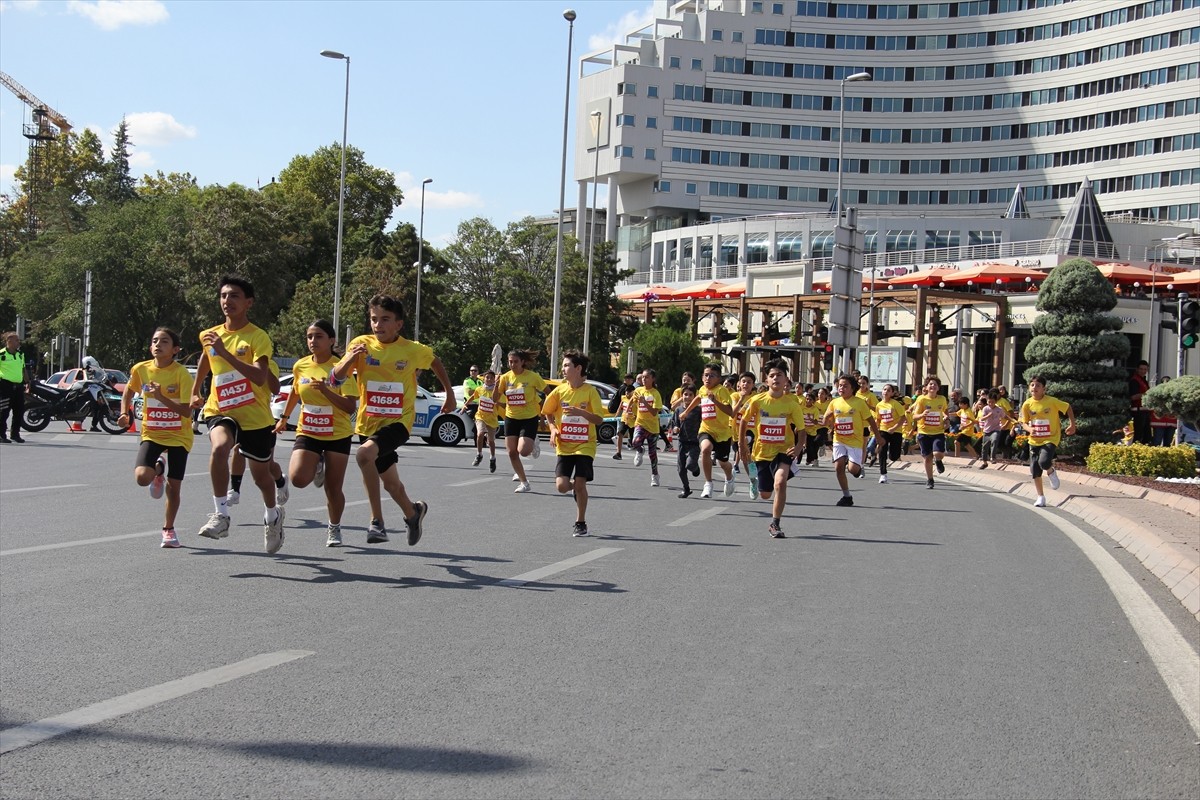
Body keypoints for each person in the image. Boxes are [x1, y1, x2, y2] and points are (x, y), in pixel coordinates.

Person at [331, 294, 454, 545]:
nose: (378, 325)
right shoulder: (360, 344)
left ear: (398, 324)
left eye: (385, 319)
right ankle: (413, 512)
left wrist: (449, 394)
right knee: (391, 484)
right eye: (374, 319)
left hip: (399, 422)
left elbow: (435, 362)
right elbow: (335, 379)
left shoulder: (412, 350)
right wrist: (350, 358)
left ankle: (376, 522)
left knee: (363, 455)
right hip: (368, 423)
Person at [189, 275, 286, 553]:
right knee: (220, 448)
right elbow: (206, 358)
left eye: (234, 296)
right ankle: (221, 515)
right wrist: (196, 390)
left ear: (248, 302)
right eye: (223, 295)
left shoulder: (258, 337)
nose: (227, 301)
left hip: (255, 416)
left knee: (262, 478)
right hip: (220, 408)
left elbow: (259, 377)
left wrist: (225, 352)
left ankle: (273, 516)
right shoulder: (210, 335)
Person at [272, 320, 358, 547]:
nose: (313, 341)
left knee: (333, 488)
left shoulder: (341, 367)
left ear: (331, 340)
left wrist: (326, 391)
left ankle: (334, 527)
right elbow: (295, 392)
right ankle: (317, 463)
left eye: (318, 336)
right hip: (308, 431)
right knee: (298, 479)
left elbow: (350, 407)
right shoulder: (300, 365)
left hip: (337, 435)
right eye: (309, 336)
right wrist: (284, 418)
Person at [118, 328, 194, 548]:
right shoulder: (141, 369)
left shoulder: (181, 374)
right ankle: (158, 470)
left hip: (179, 436)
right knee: (142, 477)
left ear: (175, 349)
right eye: (154, 341)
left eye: (164, 341)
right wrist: (124, 413)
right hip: (152, 433)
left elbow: (186, 411)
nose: (158, 345)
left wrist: (161, 397)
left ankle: (168, 530)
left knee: (174, 487)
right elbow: (128, 391)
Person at [739, 360, 807, 537]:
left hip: (784, 450)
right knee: (765, 494)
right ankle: (754, 480)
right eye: (772, 375)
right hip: (762, 452)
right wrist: (742, 445)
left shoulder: (792, 404)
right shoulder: (757, 400)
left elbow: (801, 430)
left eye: (779, 375)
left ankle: (775, 523)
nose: (775, 378)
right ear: (766, 380)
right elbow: (743, 421)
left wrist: (798, 447)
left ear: (786, 380)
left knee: (780, 482)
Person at [541, 350, 605, 536]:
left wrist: (581, 413)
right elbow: (547, 412)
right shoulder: (559, 391)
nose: (563, 369)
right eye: (563, 366)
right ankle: (575, 488)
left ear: (578, 369)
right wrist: (553, 429)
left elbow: (599, 419)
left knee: (580, 483)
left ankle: (580, 522)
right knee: (561, 486)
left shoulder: (590, 391)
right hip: (564, 445)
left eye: (567, 365)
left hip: (585, 444)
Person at [228, 357, 289, 510]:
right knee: (237, 450)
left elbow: (275, 389)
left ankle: (281, 481)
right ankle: (235, 490)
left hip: (262, 421)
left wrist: (263, 368)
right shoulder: (236, 360)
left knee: (268, 466)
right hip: (241, 418)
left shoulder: (269, 364)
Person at [679, 363, 737, 498]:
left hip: (722, 433)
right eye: (706, 375)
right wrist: (686, 412)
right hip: (706, 429)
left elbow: (730, 412)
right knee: (705, 449)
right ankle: (708, 483)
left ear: (719, 379)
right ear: (702, 377)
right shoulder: (702, 389)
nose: (708, 378)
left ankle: (729, 477)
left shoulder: (722, 391)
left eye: (712, 376)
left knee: (723, 463)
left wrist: (715, 401)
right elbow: (698, 398)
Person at [1019, 375, 1077, 508]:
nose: (1034, 387)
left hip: (1050, 438)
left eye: (1038, 385)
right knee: (1034, 470)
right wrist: (1029, 429)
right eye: (1032, 385)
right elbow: (1023, 422)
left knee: (1044, 462)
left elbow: (1067, 407)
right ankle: (1041, 497)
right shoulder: (1027, 404)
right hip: (1034, 440)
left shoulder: (1051, 401)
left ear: (1044, 389)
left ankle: (1050, 471)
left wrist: (1072, 425)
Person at [495, 349, 546, 493]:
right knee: (512, 453)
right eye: (510, 362)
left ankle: (532, 442)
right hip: (511, 418)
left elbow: (549, 393)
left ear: (522, 362)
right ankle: (524, 483)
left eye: (515, 361)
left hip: (529, 418)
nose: (512, 364)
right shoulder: (505, 377)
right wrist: (496, 385)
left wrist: (545, 416)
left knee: (523, 451)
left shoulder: (532, 377)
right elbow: (495, 399)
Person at [822, 374, 876, 507]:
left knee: (852, 470)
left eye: (845, 386)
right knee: (838, 467)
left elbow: (870, 420)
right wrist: (827, 419)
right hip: (839, 440)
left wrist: (878, 437)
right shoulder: (834, 402)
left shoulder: (859, 403)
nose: (842, 388)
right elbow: (825, 420)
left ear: (853, 388)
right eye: (840, 385)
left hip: (855, 441)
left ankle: (856, 469)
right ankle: (847, 496)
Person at [908, 376, 948, 489]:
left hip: (938, 431)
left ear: (938, 388)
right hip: (924, 432)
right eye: (930, 384)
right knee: (927, 457)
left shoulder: (942, 399)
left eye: (935, 384)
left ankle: (938, 461)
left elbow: (945, 410)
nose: (933, 386)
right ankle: (930, 479)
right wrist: (922, 415)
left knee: (938, 453)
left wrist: (946, 419)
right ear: (926, 387)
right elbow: (914, 416)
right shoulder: (921, 399)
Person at [629, 367, 664, 487]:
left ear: (653, 379)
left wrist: (644, 402)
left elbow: (654, 412)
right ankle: (640, 450)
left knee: (652, 454)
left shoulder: (655, 394)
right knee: (635, 442)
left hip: (653, 428)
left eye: (647, 377)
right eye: (643, 377)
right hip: (640, 423)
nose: (644, 379)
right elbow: (632, 399)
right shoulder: (638, 390)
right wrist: (628, 410)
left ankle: (655, 475)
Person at [462, 368, 501, 472]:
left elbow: (495, 399)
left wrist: (496, 386)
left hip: (492, 418)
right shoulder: (479, 389)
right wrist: (465, 405)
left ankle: (492, 458)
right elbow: (472, 396)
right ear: (484, 379)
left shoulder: (496, 390)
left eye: (491, 378)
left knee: (491, 441)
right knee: (480, 434)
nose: (489, 379)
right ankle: (479, 454)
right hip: (480, 416)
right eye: (487, 377)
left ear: (494, 379)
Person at [670, 384, 702, 498]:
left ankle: (696, 469)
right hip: (682, 442)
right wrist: (675, 428)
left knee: (690, 465)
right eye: (685, 394)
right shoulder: (678, 410)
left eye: (690, 395)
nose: (687, 397)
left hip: (694, 442)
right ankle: (686, 488)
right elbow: (674, 423)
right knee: (680, 468)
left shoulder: (698, 410)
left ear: (695, 396)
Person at [0, 331, 30, 443]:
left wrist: (28, 382)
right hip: (5, 386)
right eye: (16, 340)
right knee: (4, 411)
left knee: (19, 411)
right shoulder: (2, 354)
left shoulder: (20, 354)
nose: (18, 342)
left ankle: (15, 434)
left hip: (18, 386)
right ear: (9, 341)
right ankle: (1, 435)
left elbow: (23, 369)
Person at [873, 384, 906, 484]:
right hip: (884, 430)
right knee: (882, 450)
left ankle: (894, 453)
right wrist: (874, 427)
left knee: (894, 456)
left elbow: (903, 417)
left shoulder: (895, 404)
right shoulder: (879, 405)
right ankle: (883, 474)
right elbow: (878, 419)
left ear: (892, 393)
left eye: (888, 390)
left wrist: (894, 428)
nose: (886, 392)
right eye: (884, 390)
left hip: (896, 431)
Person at [976, 389, 1011, 469]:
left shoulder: (999, 409)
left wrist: (1011, 420)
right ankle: (985, 462)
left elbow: (1004, 416)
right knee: (985, 447)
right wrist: (988, 415)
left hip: (996, 429)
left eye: (992, 402)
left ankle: (993, 457)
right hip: (987, 430)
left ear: (995, 401)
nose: (991, 404)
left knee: (994, 440)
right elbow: (982, 419)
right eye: (989, 402)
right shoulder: (986, 409)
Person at [611, 380, 637, 460]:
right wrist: (617, 414)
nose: (627, 393)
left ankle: (639, 452)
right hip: (624, 419)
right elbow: (620, 406)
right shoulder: (623, 398)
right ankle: (618, 453)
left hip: (633, 421)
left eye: (629, 392)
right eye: (626, 392)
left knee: (635, 440)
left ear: (633, 392)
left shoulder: (636, 400)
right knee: (620, 434)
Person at [1128, 360, 1152, 445]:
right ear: (1137, 369)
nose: (1143, 371)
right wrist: (1148, 394)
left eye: (1145, 369)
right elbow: (1133, 397)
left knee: (1147, 436)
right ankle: (1136, 450)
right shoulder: (1134, 381)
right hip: (1138, 411)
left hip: (1145, 411)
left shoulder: (1144, 381)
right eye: (1141, 369)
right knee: (1139, 435)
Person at [1149, 375, 1177, 446]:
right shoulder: (1156, 394)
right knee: (1156, 443)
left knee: (1167, 444)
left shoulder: (1174, 395)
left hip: (1171, 422)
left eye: (1168, 382)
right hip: (1159, 422)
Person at [462, 365, 484, 430]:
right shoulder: (467, 381)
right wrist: (479, 391)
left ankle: (478, 432)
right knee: (477, 419)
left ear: (478, 372)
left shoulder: (480, 381)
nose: (473, 372)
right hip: (470, 405)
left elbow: (484, 392)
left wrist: (476, 391)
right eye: (471, 370)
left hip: (479, 405)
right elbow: (469, 392)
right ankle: (475, 431)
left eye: (475, 370)